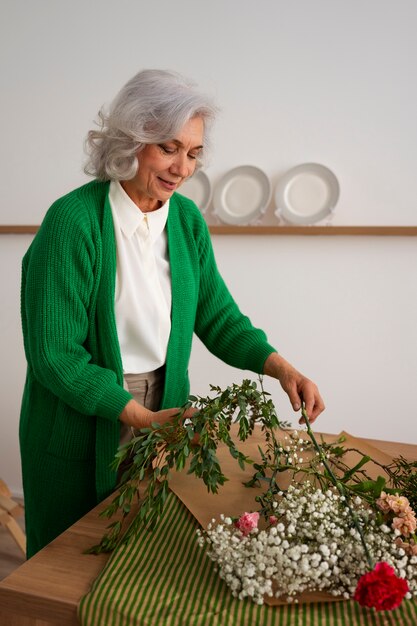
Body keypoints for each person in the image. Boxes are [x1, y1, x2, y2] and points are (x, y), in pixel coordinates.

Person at [19, 69, 325, 559]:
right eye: (169, 147)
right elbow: (56, 356)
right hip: (85, 412)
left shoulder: (185, 221)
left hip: (163, 403)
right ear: (130, 141)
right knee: (65, 565)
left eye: (194, 153)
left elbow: (219, 317)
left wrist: (282, 369)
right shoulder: (72, 222)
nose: (183, 167)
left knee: (143, 553)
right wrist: (137, 415)